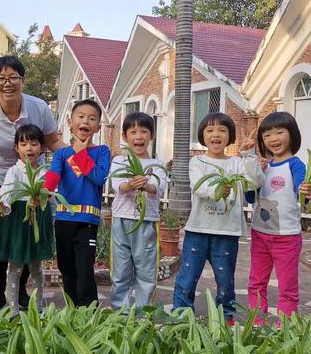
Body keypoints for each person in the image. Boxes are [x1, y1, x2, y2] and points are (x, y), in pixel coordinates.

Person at [0, 55, 64, 318]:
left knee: (26, 243)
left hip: (34, 183)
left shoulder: (39, 107)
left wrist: (78, 159)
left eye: (13, 78)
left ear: (23, 80)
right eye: (1, 78)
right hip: (2, 181)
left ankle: (20, 293)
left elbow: (53, 142)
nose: (7, 83)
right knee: (0, 244)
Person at [172, 112, 264, 325]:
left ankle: (226, 319)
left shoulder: (237, 163)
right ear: (202, 135)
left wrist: (249, 154)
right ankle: (180, 318)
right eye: (210, 130)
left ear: (229, 136)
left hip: (227, 232)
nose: (216, 134)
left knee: (225, 281)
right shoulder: (197, 161)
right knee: (187, 278)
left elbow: (255, 182)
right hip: (198, 230)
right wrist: (218, 190)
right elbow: (198, 186)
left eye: (222, 130)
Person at [44, 99, 110, 306]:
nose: (85, 121)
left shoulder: (102, 152)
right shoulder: (62, 153)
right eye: (80, 116)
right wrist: (42, 191)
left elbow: (99, 177)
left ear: (98, 126)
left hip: (87, 222)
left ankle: (89, 314)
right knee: (67, 269)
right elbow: (54, 175)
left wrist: (81, 153)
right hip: (63, 220)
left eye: (92, 118)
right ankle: (72, 311)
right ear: (70, 122)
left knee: (84, 269)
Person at [248, 112, 311, 325]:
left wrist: (306, 191)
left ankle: (284, 330)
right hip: (259, 234)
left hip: (286, 237)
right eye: (266, 135)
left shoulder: (296, 165)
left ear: (292, 134)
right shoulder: (263, 166)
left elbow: (303, 198)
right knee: (256, 283)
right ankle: (255, 326)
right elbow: (250, 196)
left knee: (287, 288)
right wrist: (254, 168)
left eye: (279, 132)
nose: (273, 139)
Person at [0, 124, 54, 318]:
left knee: (36, 268)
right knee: (15, 267)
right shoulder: (15, 171)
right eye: (23, 143)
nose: (29, 148)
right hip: (19, 222)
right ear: (16, 148)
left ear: (42, 148)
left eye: (34, 144)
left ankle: (38, 308)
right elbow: (6, 194)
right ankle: (13, 310)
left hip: (37, 221)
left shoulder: (45, 173)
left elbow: (50, 198)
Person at [110, 112, 167, 312]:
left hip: (147, 222)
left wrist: (145, 185)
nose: (139, 136)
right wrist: (130, 184)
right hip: (121, 221)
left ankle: (145, 313)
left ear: (151, 136)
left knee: (146, 270)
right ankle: (121, 312)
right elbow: (117, 185)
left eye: (144, 131)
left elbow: (159, 189)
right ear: (125, 137)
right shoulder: (119, 161)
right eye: (133, 132)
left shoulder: (157, 165)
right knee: (121, 270)